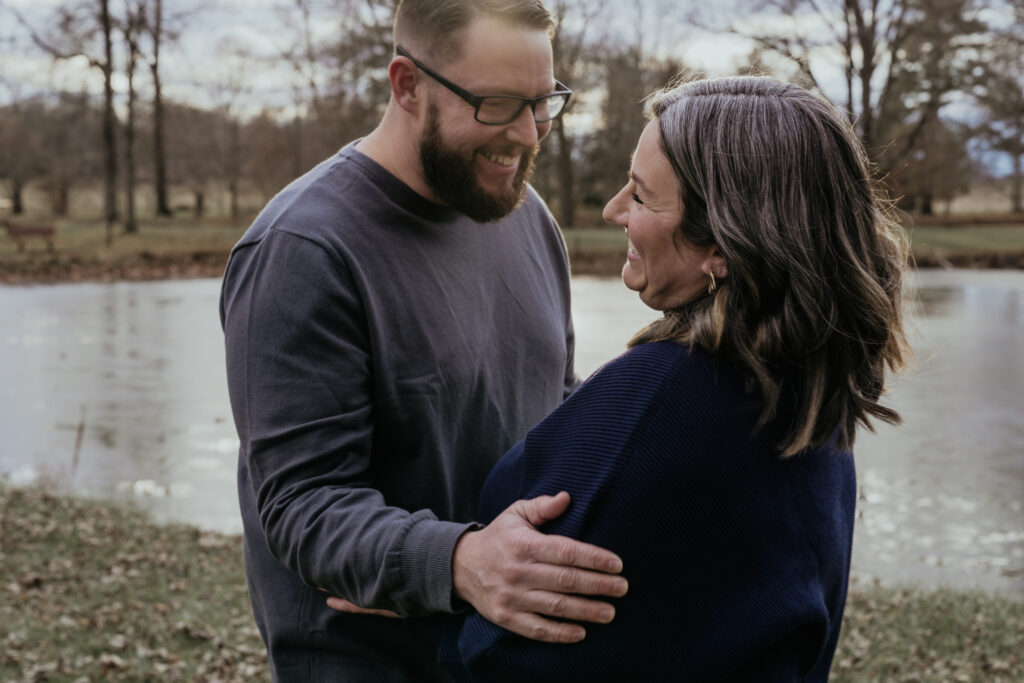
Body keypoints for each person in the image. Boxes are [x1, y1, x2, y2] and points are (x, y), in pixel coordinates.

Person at [426, 76, 910, 681]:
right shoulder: (810, 390)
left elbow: (515, 656)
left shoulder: (666, 400)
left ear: (724, 246)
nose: (613, 210)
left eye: (644, 196)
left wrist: (415, 601)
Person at [219, 1, 626, 680]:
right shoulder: (303, 249)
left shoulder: (526, 217)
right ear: (406, 84)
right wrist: (463, 561)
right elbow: (303, 505)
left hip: (502, 646)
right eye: (497, 104)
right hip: (368, 660)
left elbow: (551, 409)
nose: (527, 135)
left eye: (543, 103)